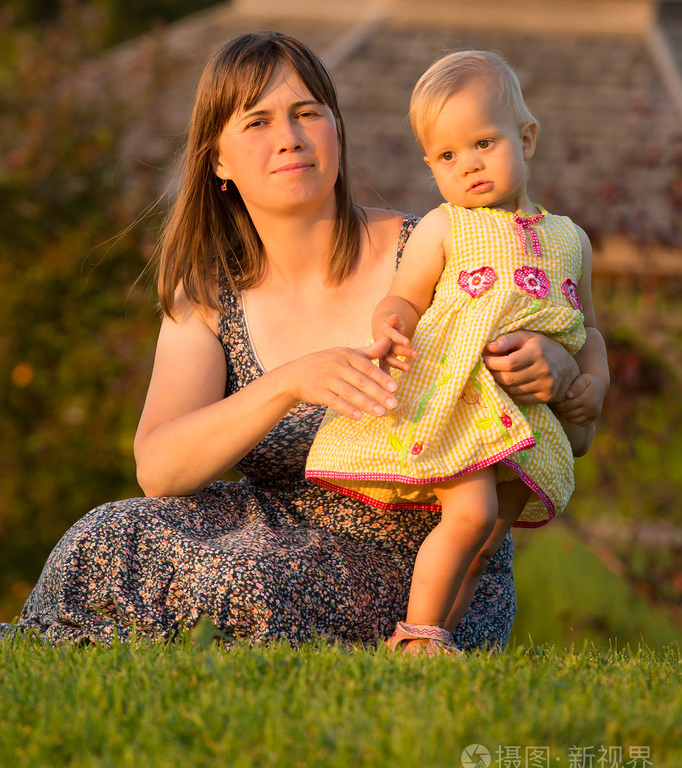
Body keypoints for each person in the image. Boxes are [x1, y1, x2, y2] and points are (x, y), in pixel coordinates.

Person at [12, 33, 581, 649]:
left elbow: (569, 402)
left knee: (253, 578)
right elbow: (161, 469)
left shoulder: (443, 250)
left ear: (337, 129)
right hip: (269, 528)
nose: (289, 136)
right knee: (108, 534)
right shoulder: (208, 293)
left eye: (307, 112)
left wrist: (559, 371)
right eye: (257, 121)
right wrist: (286, 384)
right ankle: (63, 658)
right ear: (218, 161)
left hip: (422, 558)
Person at [306, 50, 609, 655]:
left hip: (525, 414)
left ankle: (439, 636)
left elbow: (590, 329)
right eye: (447, 156)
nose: (467, 165)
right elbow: (405, 300)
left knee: (489, 540)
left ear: (526, 138)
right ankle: (416, 635)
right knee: (467, 516)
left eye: (483, 144)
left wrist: (595, 380)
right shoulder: (445, 227)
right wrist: (390, 326)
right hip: (462, 401)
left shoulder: (571, 239)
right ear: (431, 166)